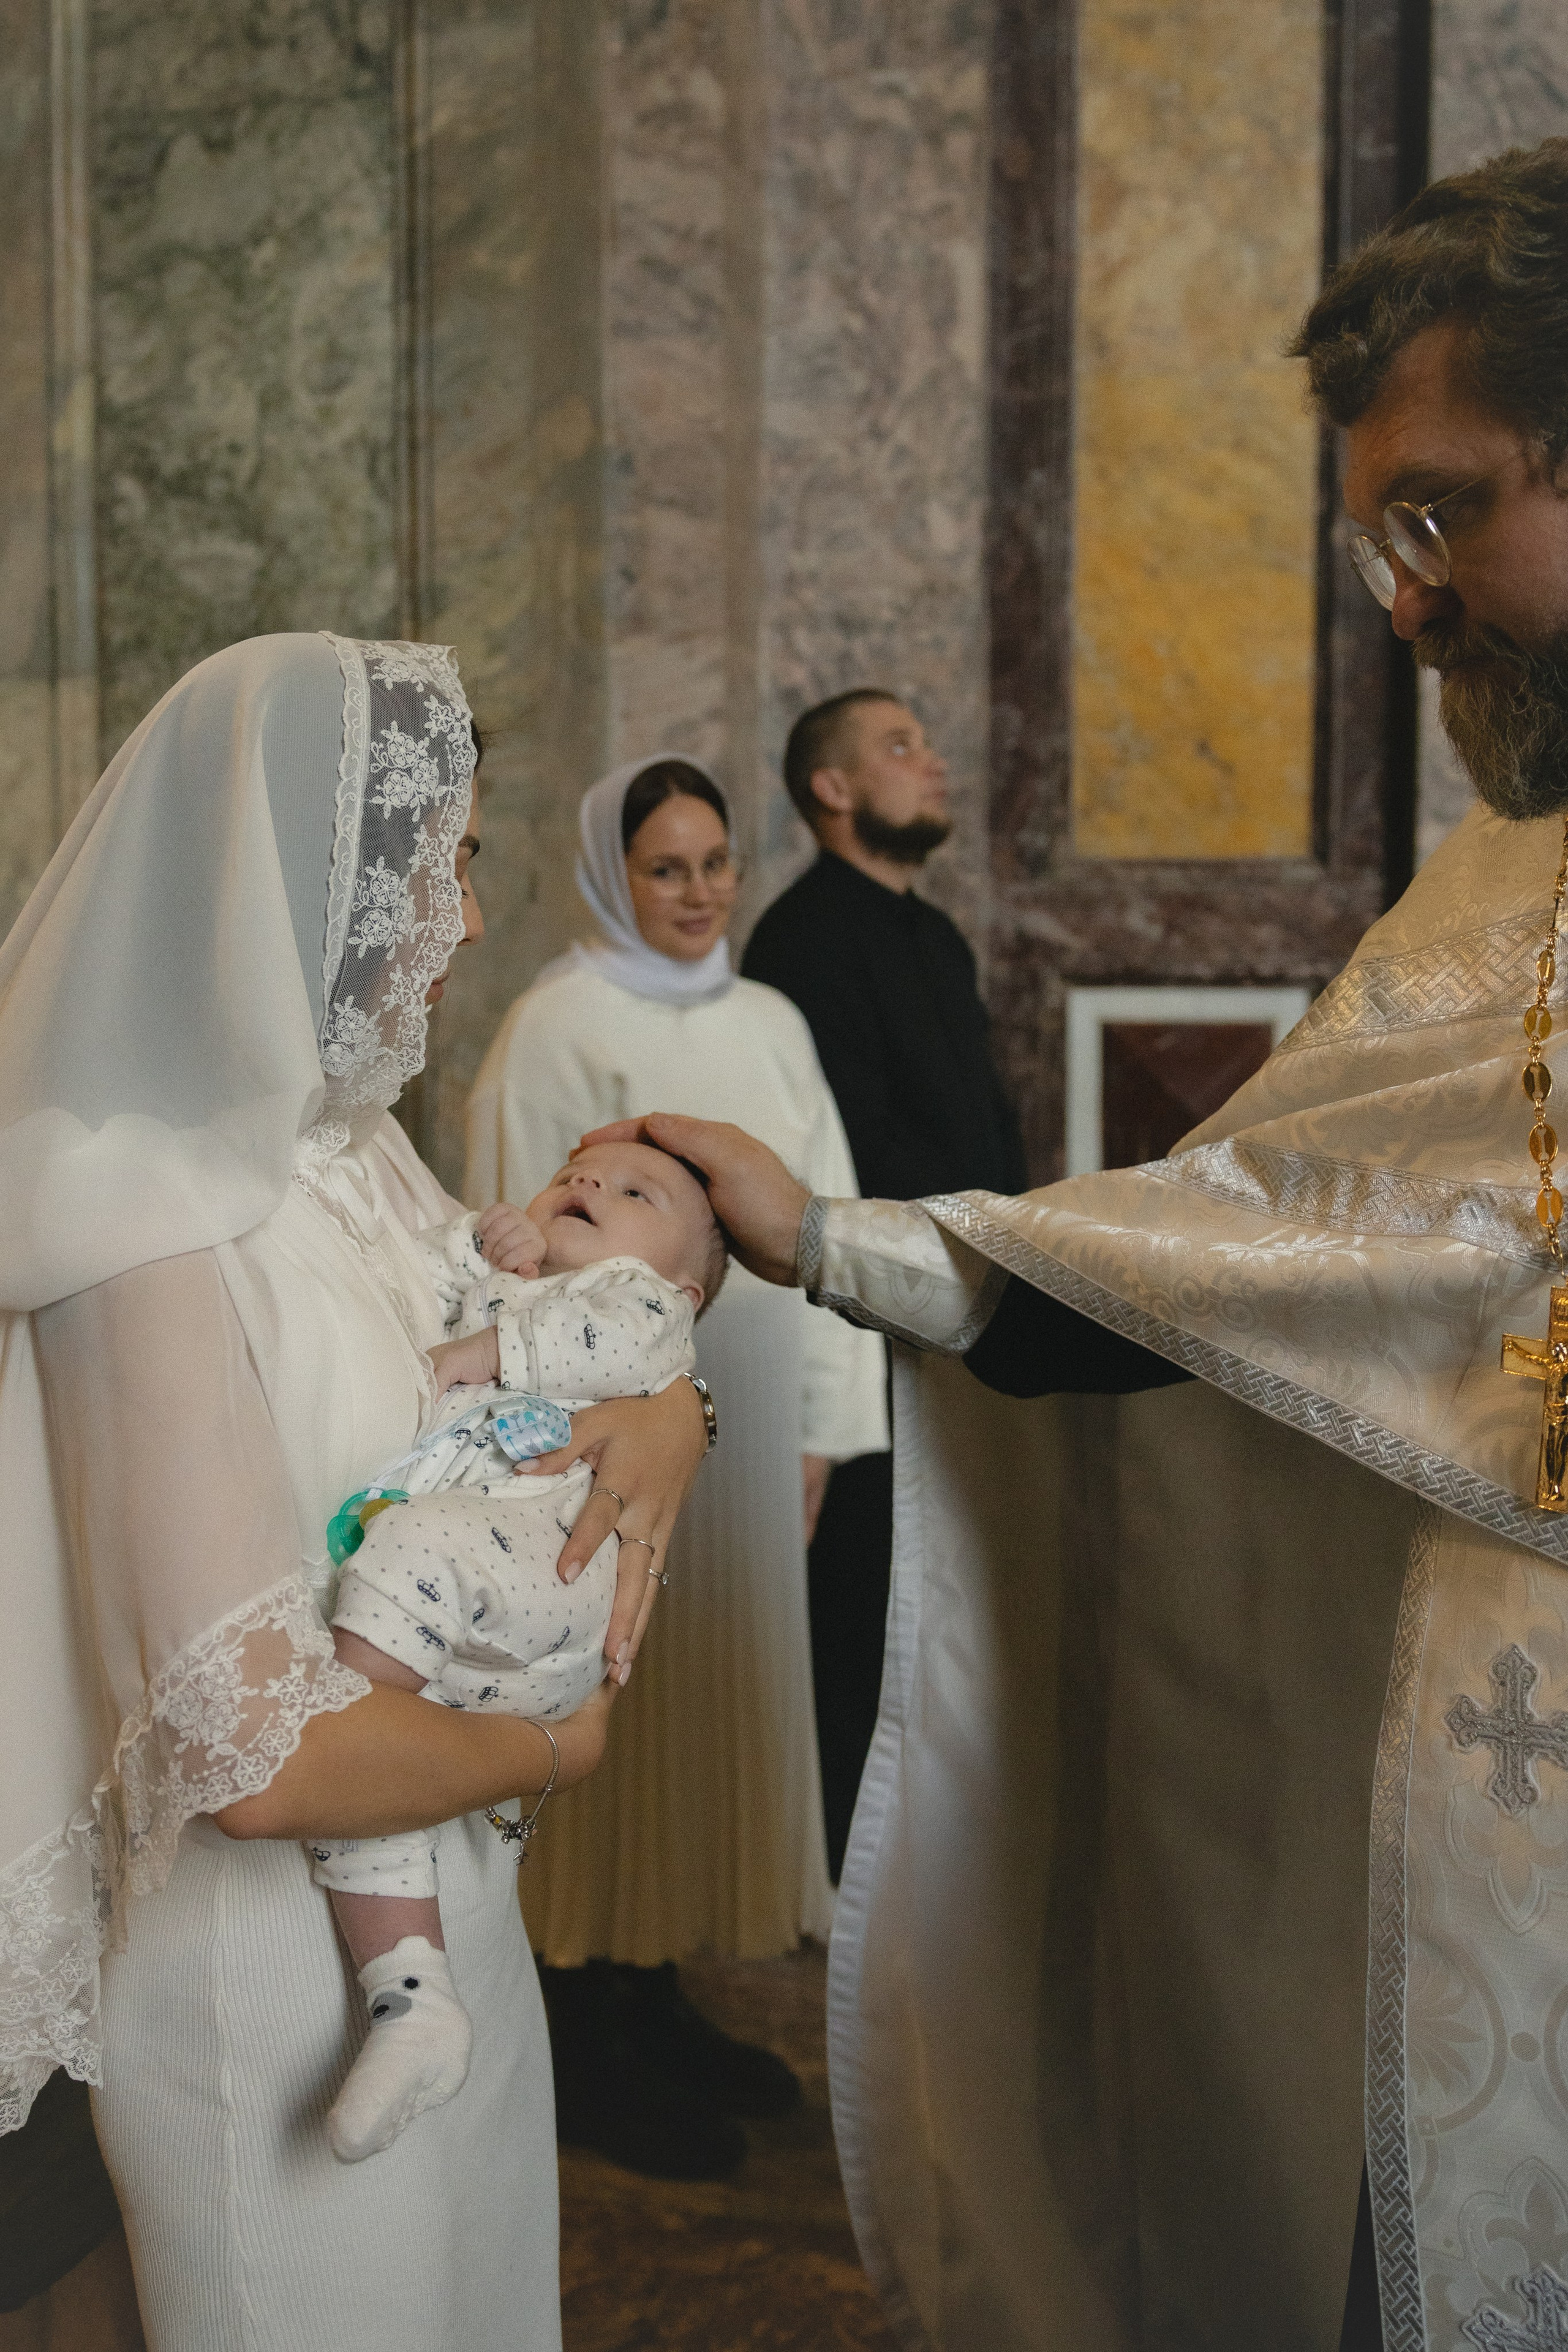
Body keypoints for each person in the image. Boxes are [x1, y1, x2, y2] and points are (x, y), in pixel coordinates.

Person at [581, 141, 1568, 2352]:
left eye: (1441, 513)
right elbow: (1253, 1250)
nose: (1407, 604)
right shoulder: (1499, 886)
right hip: (1496, 1808)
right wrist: (840, 1243)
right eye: (1379, 543)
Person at [0, 632, 709, 2351]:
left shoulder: (344, 1148)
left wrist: (676, 1405)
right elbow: (254, 1761)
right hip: (268, 1985)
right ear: (300, 881)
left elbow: (529, 1349)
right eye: (437, 865)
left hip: (450, 1908)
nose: (462, 919)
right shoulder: (137, 1220)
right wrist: (560, 1749)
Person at [466, 753, 887, 2178]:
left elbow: (829, 1212)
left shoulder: (769, 1020)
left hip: (748, 1422)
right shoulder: (553, 1025)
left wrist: (822, 1426)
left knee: (699, 1693)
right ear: (613, 876)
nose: (698, 892)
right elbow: (521, 1237)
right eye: (665, 868)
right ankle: (578, 2015)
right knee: (604, 1698)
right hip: (607, 1428)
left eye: (716, 864)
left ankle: (654, 1985)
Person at [311, 1141, 726, 2164]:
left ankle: (356, 1738)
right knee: (365, 1769)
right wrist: (480, 1243)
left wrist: (486, 1350)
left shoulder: (640, 1304)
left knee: (393, 1586)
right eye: (577, 1176)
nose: (590, 1186)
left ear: (686, 1285)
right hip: (475, 1591)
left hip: (547, 1558)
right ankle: (408, 1989)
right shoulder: (511, 1277)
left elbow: (614, 1339)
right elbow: (408, 1279)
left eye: (635, 1192)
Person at [742, 692, 1027, 1877]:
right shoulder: (799, 944)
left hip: (969, 1303)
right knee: (862, 1604)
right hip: (869, 1315)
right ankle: (853, 1870)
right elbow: (841, 1158)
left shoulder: (935, 936)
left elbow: (979, 1127)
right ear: (834, 789)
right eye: (900, 748)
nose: (934, 764)